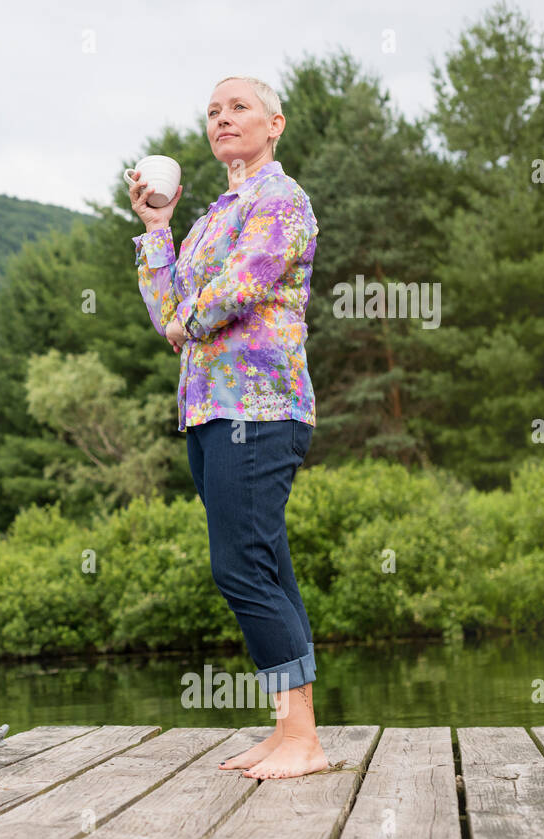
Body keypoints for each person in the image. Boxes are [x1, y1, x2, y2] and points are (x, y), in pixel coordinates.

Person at [129, 75, 326, 779]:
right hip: (209, 410)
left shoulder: (282, 199)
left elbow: (241, 285)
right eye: (212, 111)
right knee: (266, 562)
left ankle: (302, 738)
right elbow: (170, 312)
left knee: (239, 565)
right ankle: (289, 729)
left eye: (238, 107)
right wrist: (158, 230)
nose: (223, 118)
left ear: (275, 123)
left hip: (261, 408)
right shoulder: (214, 216)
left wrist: (186, 321)